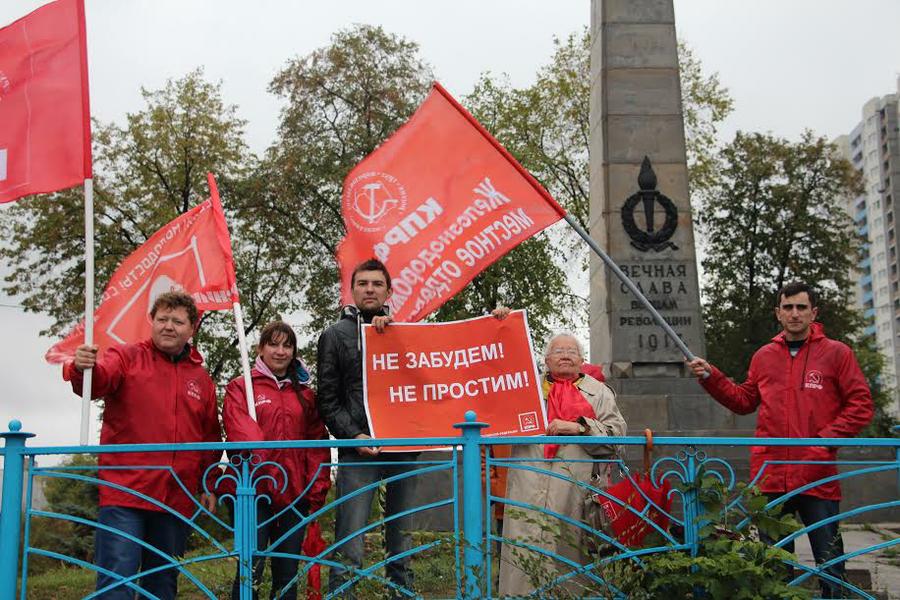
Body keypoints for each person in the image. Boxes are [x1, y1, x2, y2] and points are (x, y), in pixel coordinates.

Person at [688, 281, 874, 598]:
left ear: (814, 312)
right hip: (771, 475)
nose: (794, 313)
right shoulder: (764, 356)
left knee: (830, 560)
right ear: (778, 313)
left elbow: (861, 405)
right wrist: (712, 377)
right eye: (788, 307)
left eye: (801, 307)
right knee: (774, 565)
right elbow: (744, 400)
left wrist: (823, 441)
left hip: (817, 473)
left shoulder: (837, 353)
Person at [64, 291, 221, 600]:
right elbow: (98, 381)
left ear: (192, 329)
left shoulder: (201, 379)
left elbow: (210, 438)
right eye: (162, 319)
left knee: (162, 584)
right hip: (126, 492)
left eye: (177, 321)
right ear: (151, 321)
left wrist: (209, 482)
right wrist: (81, 368)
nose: (168, 326)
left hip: (176, 496)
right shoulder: (126, 357)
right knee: (116, 581)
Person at [316, 258, 417, 598]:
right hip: (358, 449)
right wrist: (353, 435)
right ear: (353, 289)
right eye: (363, 283)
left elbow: (440, 371)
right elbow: (327, 400)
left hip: (403, 448)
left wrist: (496, 325)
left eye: (376, 283)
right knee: (350, 541)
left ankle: (401, 595)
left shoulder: (408, 332)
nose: (370, 289)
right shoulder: (334, 335)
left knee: (401, 538)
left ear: (389, 291)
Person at [498, 332, 627, 597]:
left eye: (571, 351)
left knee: (570, 559)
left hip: (574, 491)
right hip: (527, 487)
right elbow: (492, 379)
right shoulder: (525, 388)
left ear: (582, 360)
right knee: (522, 555)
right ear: (546, 360)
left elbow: (617, 440)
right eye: (558, 351)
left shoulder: (599, 392)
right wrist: (501, 326)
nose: (565, 355)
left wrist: (580, 427)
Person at [223, 321, 331, 600]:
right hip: (253, 494)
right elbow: (240, 433)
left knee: (287, 576)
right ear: (260, 348)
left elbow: (317, 443)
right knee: (250, 572)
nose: (280, 351)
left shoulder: (305, 395)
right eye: (273, 344)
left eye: (287, 345)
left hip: (295, 496)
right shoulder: (240, 387)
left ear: (294, 351)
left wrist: (315, 492)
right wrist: (267, 478)